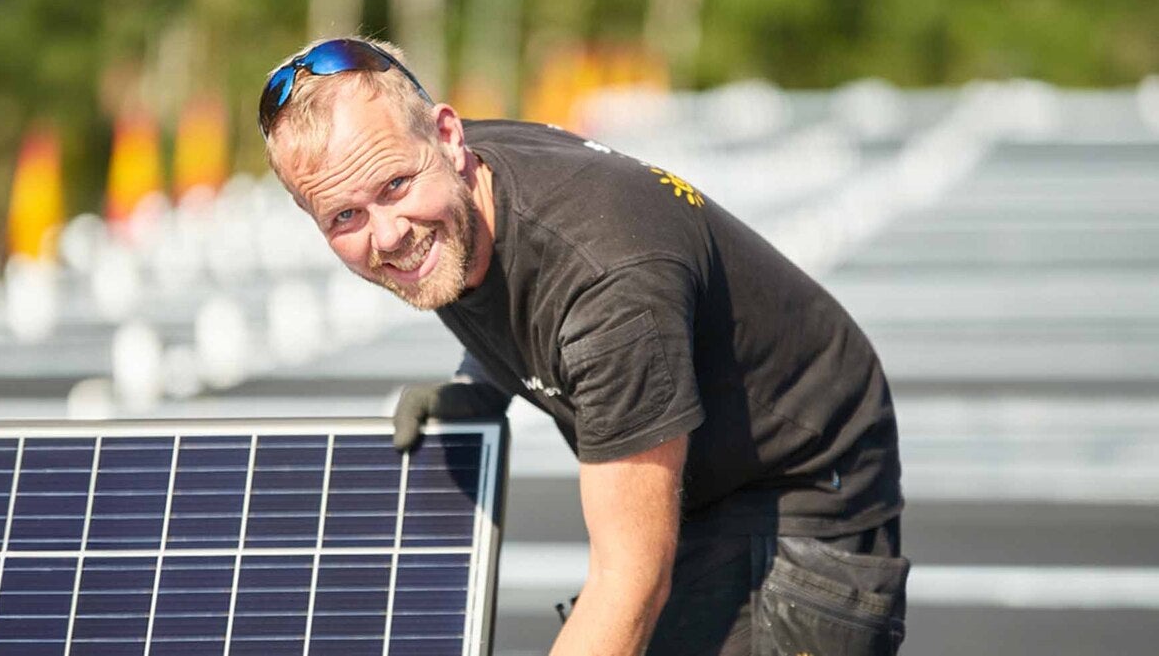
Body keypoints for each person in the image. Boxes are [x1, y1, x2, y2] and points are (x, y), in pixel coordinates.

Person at [259, 36, 910, 655]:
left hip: (801, 477)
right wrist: (480, 380)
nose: (388, 234)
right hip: (699, 463)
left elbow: (629, 583)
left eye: (395, 187)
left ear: (451, 138)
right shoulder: (446, 189)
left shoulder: (611, 289)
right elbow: (515, 281)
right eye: (344, 216)